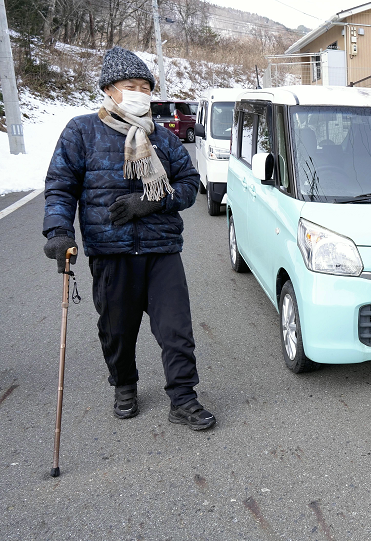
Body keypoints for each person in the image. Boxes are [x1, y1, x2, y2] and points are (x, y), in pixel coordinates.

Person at [42, 46, 215, 431]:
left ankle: (183, 399)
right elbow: (60, 186)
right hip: (111, 252)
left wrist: (150, 202)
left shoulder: (164, 138)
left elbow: (189, 184)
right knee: (117, 330)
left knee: (176, 331)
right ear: (109, 89)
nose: (139, 92)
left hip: (162, 250)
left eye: (144, 86)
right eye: (129, 85)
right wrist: (58, 232)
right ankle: (124, 385)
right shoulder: (81, 131)